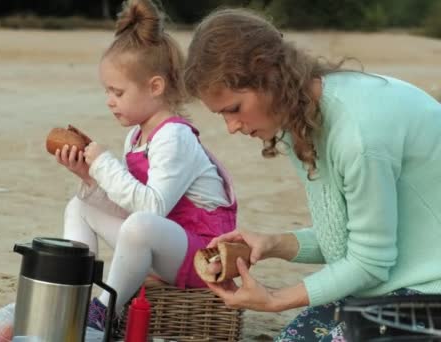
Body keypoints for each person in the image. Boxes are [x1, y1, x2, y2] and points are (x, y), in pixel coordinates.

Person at [183, 7, 441, 342]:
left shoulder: (357, 135)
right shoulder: (302, 121)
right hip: (398, 284)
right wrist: (272, 244)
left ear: (268, 74)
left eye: (234, 109)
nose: (231, 127)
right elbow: (349, 240)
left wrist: (275, 299)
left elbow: (370, 263)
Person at [53, 0, 238, 332]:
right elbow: (128, 202)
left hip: (203, 258)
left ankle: (102, 313)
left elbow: (151, 210)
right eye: (107, 91)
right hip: (166, 246)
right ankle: (71, 295)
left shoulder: (175, 137)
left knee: (140, 226)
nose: (109, 100)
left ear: (155, 86)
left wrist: (105, 165)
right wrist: (89, 176)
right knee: (79, 206)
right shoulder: (137, 136)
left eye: (118, 92)